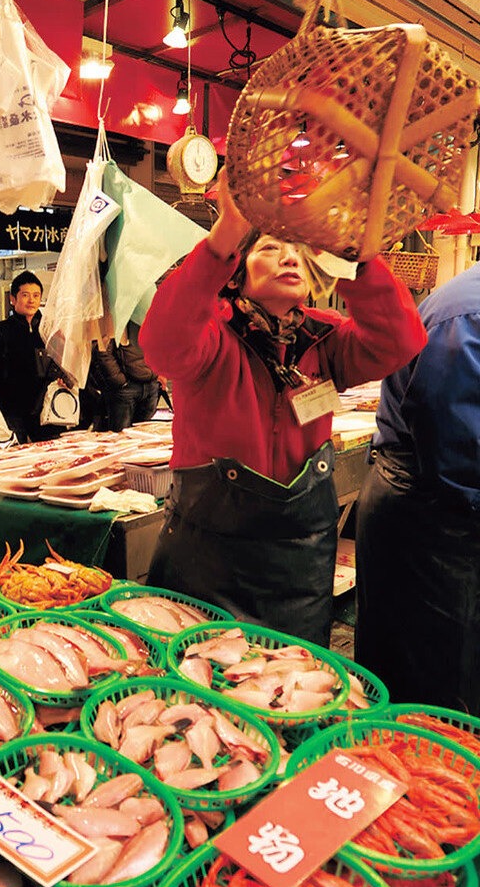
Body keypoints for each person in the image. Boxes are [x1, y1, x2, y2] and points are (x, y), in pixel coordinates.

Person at [139, 169, 427, 648]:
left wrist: (353, 257)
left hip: (299, 568)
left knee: (294, 696)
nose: (289, 256)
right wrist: (220, 240)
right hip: (207, 561)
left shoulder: (325, 340)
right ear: (239, 268)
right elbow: (162, 346)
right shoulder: (213, 336)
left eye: (299, 250)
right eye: (270, 247)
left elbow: (400, 340)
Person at [355, 261, 480, 713]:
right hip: (429, 515)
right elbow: (457, 448)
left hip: (453, 508)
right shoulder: (468, 315)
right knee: (431, 685)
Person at [0, 271, 69, 444]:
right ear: (13, 299)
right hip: (13, 412)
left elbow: (62, 363)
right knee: (16, 460)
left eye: (36, 295)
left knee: (51, 459)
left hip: (48, 408)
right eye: (25, 295)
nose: (31, 300)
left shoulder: (49, 330)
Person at [90, 322, 162, 431]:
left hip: (150, 385)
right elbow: (102, 349)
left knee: (145, 441)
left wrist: (159, 372)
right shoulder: (118, 312)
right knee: (121, 441)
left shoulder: (148, 312)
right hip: (126, 388)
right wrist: (119, 381)